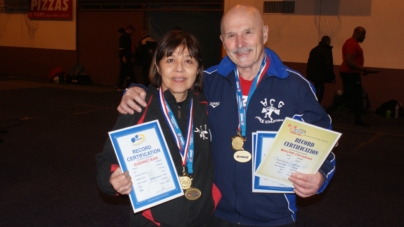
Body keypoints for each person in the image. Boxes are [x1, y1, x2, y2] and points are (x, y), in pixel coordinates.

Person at [117, 5, 335, 227]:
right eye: (231, 35)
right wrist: (135, 90)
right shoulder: (208, 82)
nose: (240, 43)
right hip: (216, 215)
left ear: (265, 34)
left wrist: (321, 176)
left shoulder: (295, 87)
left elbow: (325, 142)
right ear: (223, 40)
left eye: (248, 32)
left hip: (274, 217)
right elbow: (169, 89)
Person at [97, 30, 221, 227]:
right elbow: (107, 161)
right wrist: (111, 178)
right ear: (157, 66)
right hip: (152, 222)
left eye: (188, 61)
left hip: (203, 220)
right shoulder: (138, 106)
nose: (179, 69)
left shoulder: (208, 108)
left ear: (198, 68)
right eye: (170, 60)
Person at [326, 26, 379, 127]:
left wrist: (362, 71)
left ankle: (328, 113)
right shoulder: (352, 44)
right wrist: (363, 69)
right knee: (355, 96)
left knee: (349, 96)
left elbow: (352, 62)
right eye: (364, 34)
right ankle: (329, 114)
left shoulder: (352, 43)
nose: (365, 37)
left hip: (351, 73)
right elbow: (349, 61)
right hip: (349, 74)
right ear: (358, 33)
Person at [306, 35, 336, 103]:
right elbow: (328, 64)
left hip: (314, 74)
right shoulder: (326, 51)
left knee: (316, 89)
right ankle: (317, 105)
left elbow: (310, 63)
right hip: (321, 75)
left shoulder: (314, 50)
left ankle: (314, 104)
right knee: (320, 90)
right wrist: (332, 77)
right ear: (328, 42)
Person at [115, 25, 137, 91]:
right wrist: (124, 57)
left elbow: (122, 48)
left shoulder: (125, 37)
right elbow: (123, 48)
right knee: (128, 71)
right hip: (126, 57)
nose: (132, 33)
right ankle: (131, 84)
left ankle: (121, 85)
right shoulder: (125, 37)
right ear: (129, 30)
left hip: (126, 57)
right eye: (132, 31)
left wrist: (121, 57)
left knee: (124, 71)